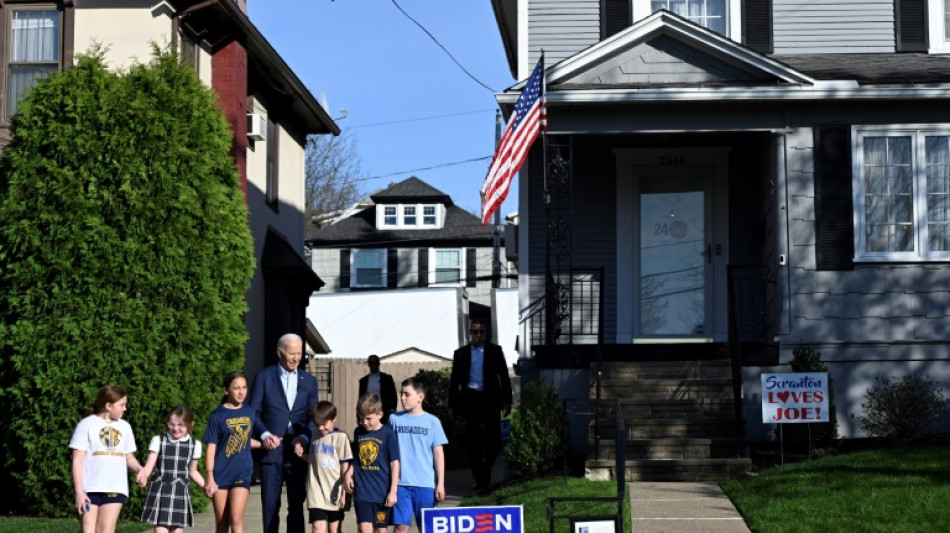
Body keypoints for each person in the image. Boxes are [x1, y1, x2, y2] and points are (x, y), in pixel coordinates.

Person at [249, 333, 320, 533]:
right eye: (291, 353)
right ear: (280, 353)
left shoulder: (309, 381)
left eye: (299, 353)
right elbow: (253, 413)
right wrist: (264, 435)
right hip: (271, 451)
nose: (296, 358)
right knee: (271, 506)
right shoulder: (263, 377)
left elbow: (315, 417)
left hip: (298, 452)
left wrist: (305, 437)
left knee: (297, 505)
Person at [448, 317, 513, 491]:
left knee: (494, 439)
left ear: (485, 333)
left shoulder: (495, 351)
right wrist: (451, 405)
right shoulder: (461, 353)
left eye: (481, 332)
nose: (478, 335)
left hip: (490, 399)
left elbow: (504, 377)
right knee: (473, 440)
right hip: (471, 399)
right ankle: (481, 478)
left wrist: (508, 400)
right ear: (470, 333)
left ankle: (486, 468)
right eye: (475, 332)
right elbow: (454, 381)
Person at [70, 384, 144, 533]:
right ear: (109, 405)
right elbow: (77, 460)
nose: (125, 408)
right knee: (88, 530)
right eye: (122, 405)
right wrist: (79, 492)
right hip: (89, 489)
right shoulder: (86, 425)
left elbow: (128, 457)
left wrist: (139, 469)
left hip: (115, 488)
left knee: (106, 530)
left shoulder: (125, 427)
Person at [204, 371, 261, 533]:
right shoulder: (216, 416)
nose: (241, 392)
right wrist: (210, 477)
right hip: (220, 474)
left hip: (242, 473)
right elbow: (211, 448)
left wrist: (264, 444)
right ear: (226, 390)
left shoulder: (250, 412)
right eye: (236, 388)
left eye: (244, 387)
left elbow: (245, 439)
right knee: (222, 523)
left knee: (236, 518)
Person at [389, 377, 448, 532]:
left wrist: (440, 483)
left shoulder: (433, 422)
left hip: (425, 484)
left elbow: (438, 454)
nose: (402, 398)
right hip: (401, 484)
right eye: (401, 394)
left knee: (427, 527)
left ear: (420, 397)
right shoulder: (394, 419)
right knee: (401, 527)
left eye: (406, 394)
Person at [137, 405, 206, 533]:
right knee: (160, 529)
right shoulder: (158, 440)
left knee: (176, 530)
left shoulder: (195, 445)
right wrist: (143, 476)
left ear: (191, 425)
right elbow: (149, 466)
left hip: (180, 491)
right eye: (171, 424)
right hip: (160, 490)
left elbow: (193, 471)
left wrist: (206, 486)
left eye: (181, 425)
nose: (175, 428)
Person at [292, 401, 353, 533]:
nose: (320, 428)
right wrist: (302, 455)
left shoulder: (341, 438)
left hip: (334, 493)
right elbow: (314, 460)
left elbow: (345, 466)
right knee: (317, 528)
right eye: (317, 425)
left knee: (334, 529)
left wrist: (344, 493)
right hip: (316, 493)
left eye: (324, 424)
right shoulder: (314, 438)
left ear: (334, 418)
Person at [345, 392, 400, 533]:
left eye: (368, 419)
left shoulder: (388, 434)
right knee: (364, 528)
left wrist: (393, 491)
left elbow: (395, 463)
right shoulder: (359, 432)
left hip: (381, 493)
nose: (364, 422)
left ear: (379, 414)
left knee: (380, 530)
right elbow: (357, 459)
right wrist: (347, 474)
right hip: (362, 491)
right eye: (361, 419)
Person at [357, 355, 397, 425]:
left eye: (375, 362)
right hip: (368, 411)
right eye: (371, 363)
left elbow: (393, 396)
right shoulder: (363, 381)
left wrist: (392, 411)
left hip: (384, 412)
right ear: (368, 364)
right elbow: (361, 399)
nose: (373, 365)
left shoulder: (387, 379)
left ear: (378, 363)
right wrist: (359, 415)